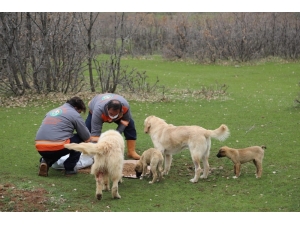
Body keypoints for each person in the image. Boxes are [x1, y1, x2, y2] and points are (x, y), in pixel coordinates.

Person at [35, 96, 91, 177]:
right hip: (57, 146)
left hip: (40, 147)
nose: (79, 114)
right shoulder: (74, 114)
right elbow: (86, 136)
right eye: (79, 111)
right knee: (79, 140)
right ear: (76, 108)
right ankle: (70, 168)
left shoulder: (52, 111)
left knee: (59, 145)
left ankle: (45, 161)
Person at [85, 93, 140, 160]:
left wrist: (114, 136)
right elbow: (95, 134)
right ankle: (89, 152)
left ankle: (131, 152)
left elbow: (125, 121)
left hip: (118, 115)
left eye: (115, 113)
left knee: (130, 125)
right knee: (87, 130)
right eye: (111, 113)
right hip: (95, 108)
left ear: (120, 110)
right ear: (107, 108)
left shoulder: (125, 106)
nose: (113, 115)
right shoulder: (98, 110)